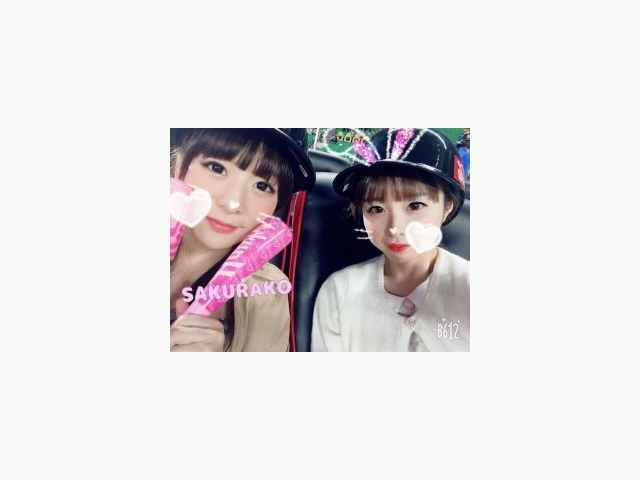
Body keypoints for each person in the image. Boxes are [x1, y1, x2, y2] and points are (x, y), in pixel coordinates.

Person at [311, 128, 469, 352]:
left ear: (447, 208)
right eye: (376, 209)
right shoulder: (340, 291)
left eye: (415, 205)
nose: (395, 228)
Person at [170, 128, 315, 352]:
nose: (233, 203)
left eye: (263, 186)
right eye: (216, 168)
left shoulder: (268, 295)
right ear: (175, 162)